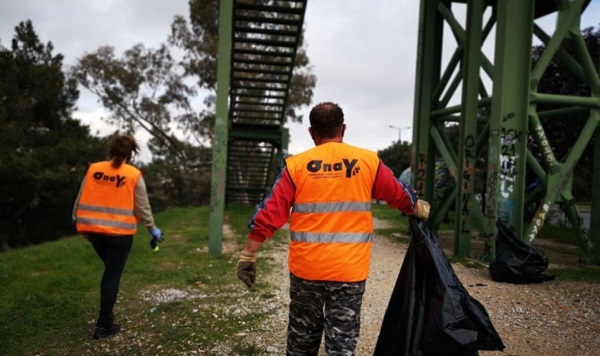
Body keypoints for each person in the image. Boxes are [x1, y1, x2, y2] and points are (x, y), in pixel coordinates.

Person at [236, 102, 430, 355]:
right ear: (343, 128)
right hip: (348, 271)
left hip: (307, 271)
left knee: (301, 338)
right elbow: (397, 194)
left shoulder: (297, 166)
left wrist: (248, 254)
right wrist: (417, 208)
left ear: (311, 131)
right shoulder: (368, 161)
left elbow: (270, 212)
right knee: (341, 343)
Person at [72, 134, 163, 340]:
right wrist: (152, 229)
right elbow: (142, 207)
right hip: (120, 234)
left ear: (110, 149)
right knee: (113, 274)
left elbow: (80, 197)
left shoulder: (94, 169)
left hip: (94, 232)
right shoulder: (132, 174)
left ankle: (108, 317)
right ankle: (103, 325)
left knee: (110, 272)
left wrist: (77, 221)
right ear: (131, 153)